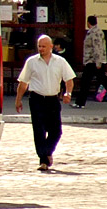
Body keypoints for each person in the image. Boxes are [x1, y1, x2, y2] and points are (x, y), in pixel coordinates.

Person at [15, 34, 76, 172]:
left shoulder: (60, 61)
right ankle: (43, 160)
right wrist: (18, 100)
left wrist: (68, 93)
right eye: (39, 46)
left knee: (56, 131)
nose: (41, 49)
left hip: (53, 100)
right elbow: (23, 82)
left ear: (51, 47)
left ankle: (47, 152)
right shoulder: (31, 62)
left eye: (43, 46)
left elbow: (69, 79)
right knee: (39, 130)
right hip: (36, 99)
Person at [73, 16, 107, 109]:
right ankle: (80, 102)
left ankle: (80, 103)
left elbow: (97, 48)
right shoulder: (94, 32)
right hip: (93, 61)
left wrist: (98, 63)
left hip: (93, 62)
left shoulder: (95, 32)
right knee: (88, 82)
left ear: (88, 22)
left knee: (87, 82)